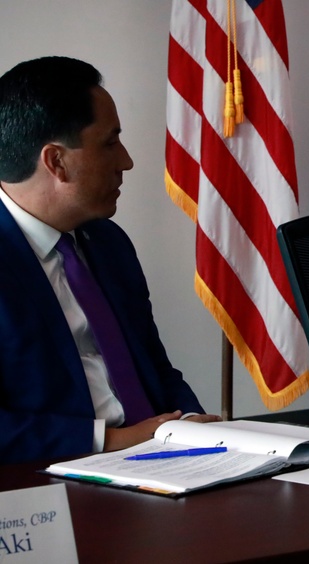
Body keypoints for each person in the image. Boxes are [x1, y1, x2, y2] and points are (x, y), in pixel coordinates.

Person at [0, 56, 219, 464]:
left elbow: (155, 367)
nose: (127, 161)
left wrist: (190, 421)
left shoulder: (108, 242)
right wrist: (116, 440)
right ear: (56, 162)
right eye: (110, 142)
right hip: (54, 484)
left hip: (166, 462)